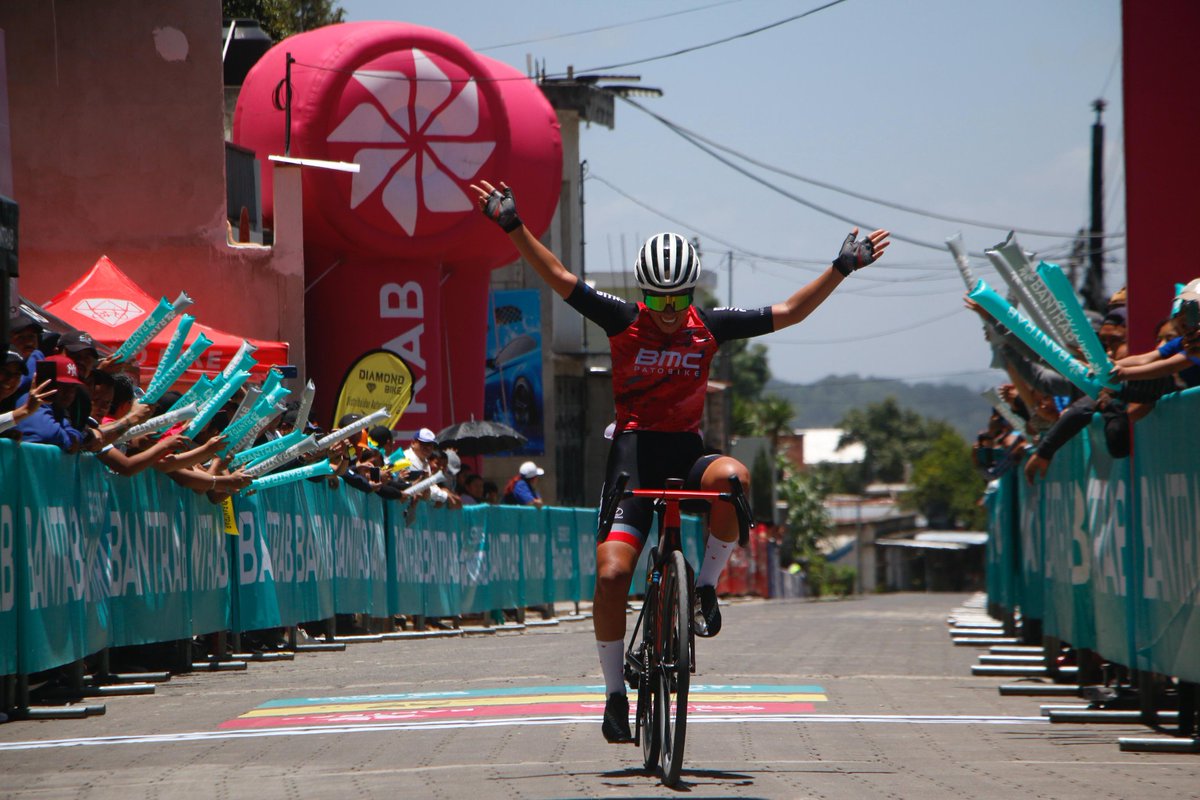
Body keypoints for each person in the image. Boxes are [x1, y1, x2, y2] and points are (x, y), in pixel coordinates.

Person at [471, 179, 890, 743]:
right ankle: (616, 695)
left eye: (679, 299)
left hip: (687, 453)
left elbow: (789, 311)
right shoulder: (623, 320)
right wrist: (513, 226)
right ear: (645, 294)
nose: (669, 312)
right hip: (635, 455)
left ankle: (706, 588)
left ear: (690, 294)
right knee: (614, 573)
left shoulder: (708, 328)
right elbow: (560, 280)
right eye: (658, 300)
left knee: (735, 477)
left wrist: (841, 267)